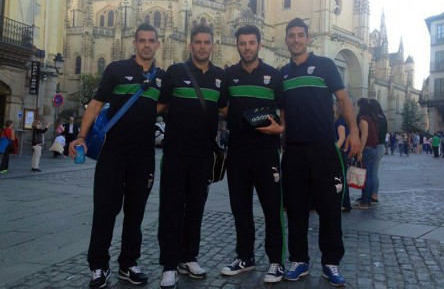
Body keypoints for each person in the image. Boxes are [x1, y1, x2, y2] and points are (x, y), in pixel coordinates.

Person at [69, 23, 164, 288]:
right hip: (114, 153)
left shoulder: (162, 78)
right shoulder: (116, 69)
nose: (147, 44)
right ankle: (99, 266)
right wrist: (80, 137)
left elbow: (166, 104)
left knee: (136, 213)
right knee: (105, 211)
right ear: (134, 43)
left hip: (144, 156)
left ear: (158, 44)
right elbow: (96, 104)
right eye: (142, 40)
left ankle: (128, 263)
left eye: (151, 40)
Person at [280, 18, 360, 287]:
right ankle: (299, 260)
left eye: (300, 35)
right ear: (286, 40)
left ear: (308, 38)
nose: (295, 40)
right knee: (296, 209)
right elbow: (282, 114)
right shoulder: (283, 74)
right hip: (293, 151)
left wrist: (354, 130)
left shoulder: (325, 65)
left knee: (329, 208)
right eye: (291, 36)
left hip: (323, 149)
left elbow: (343, 99)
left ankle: (331, 262)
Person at [157, 24, 227, 289]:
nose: (202, 46)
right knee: (172, 208)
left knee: (196, 207)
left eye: (206, 42)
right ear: (191, 45)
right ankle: (168, 265)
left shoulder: (220, 77)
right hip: (175, 153)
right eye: (197, 42)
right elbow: (159, 107)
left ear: (212, 45)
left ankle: (189, 257)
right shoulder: (175, 72)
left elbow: (227, 110)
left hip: (203, 156)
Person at [220, 25, 285, 283]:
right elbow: (223, 108)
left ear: (259, 44)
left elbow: (284, 110)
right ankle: (245, 257)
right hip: (237, 152)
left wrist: (281, 129)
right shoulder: (228, 76)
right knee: (240, 208)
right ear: (237, 45)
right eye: (243, 43)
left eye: (251, 43)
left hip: (266, 153)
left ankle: (276, 262)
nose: (247, 47)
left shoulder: (273, 75)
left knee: (271, 209)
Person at [354, 98, 378, 209]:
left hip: (367, 149)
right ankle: (367, 201)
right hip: (373, 149)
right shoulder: (371, 118)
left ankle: (364, 202)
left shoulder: (363, 119)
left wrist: (360, 151)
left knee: (366, 177)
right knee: (369, 175)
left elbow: (364, 135)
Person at [333, 102, 351, 212]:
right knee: (341, 178)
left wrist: (333, 150)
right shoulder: (341, 121)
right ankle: (344, 203)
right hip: (341, 152)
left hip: (340, 153)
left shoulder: (340, 121)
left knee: (341, 178)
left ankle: (344, 203)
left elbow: (342, 138)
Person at [369, 99, 387, 203]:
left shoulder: (377, 118)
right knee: (374, 172)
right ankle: (373, 194)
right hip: (381, 146)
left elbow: (376, 134)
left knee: (373, 173)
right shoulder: (383, 117)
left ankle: (373, 195)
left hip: (376, 146)